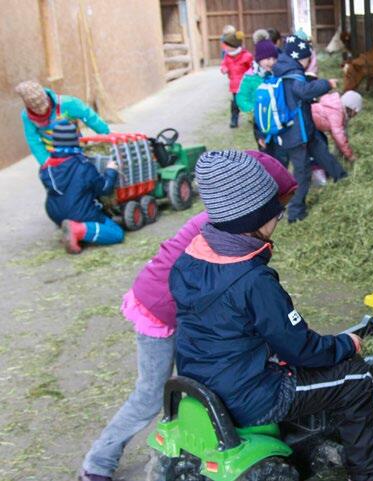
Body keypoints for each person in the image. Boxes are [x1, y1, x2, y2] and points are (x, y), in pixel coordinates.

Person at [77, 151, 296, 481]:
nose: (277, 215)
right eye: (275, 205)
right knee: (151, 395)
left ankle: (210, 441)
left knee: (209, 374)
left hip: (183, 308)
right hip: (159, 310)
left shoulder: (228, 224)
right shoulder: (223, 231)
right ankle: (98, 462)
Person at [170, 150, 373, 481]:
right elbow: (299, 347)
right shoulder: (253, 280)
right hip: (252, 396)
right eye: (276, 211)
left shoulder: (189, 260)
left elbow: (225, 323)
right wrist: (345, 344)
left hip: (203, 381)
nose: (280, 217)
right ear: (251, 219)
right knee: (357, 380)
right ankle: (371, 475)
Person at [271, 35, 339, 223]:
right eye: (308, 58)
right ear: (301, 57)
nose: (309, 62)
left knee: (319, 149)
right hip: (295, 134)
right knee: (302, 173)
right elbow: (303, 91)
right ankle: (295, 212)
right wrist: (326, 84)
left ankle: (340, 175)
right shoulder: (292, 74)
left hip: (299, 129)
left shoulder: (282, 70)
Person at [39, 123, 123, 254]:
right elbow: (105, 188)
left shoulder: (45, 166)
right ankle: (78, 229)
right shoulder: (83, 165)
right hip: (79, 213)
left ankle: (70, 229)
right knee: (116, 233)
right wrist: (111, 170)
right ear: (76, 140)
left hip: (55, 214)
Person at [15, 80, 110, 166]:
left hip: (76, 146)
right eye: (37, 110)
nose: (42, 111)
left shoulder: (68, 103)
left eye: (44, 107)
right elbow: (33, 139)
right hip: (52, 153)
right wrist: (45, 160)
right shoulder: (26, 116)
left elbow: (89, 116)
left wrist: (105, 133)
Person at [220, 30, 253, 128]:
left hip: (246, 85)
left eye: (227, 46)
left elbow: (252, 68)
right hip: (234, 86)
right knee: (235, 104)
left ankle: (252, 117)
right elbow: (224, 65)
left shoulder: (246, 56)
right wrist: (224, 69)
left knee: (249, 102)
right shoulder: (227, 57)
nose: (225, 48)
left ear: (233, 45)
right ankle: (234, 120)